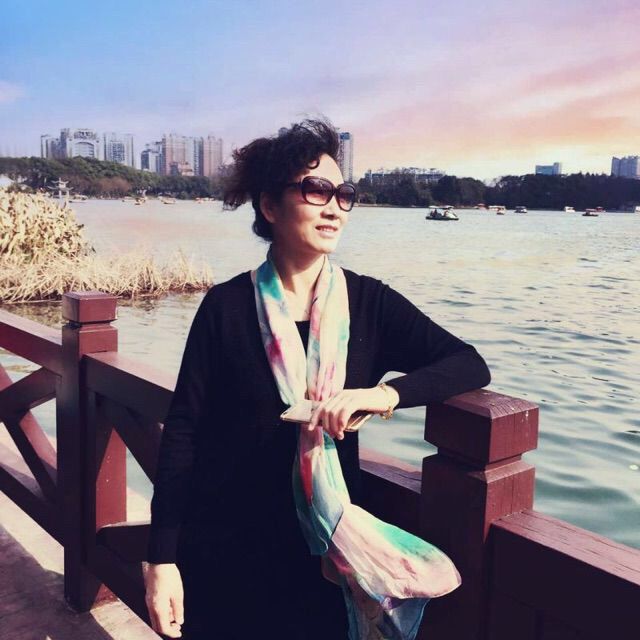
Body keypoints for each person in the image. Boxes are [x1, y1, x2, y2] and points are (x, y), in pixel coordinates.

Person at [144, 117, 491, 639]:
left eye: (343, 194)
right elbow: (183, 431)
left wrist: (382, 395)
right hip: (222, 551)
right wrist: (161, 558)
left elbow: (467, 363)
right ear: (269, 206)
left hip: (322, 557)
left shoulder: (369, 303)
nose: (334, 207)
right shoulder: (226, 307)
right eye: (315, 190)